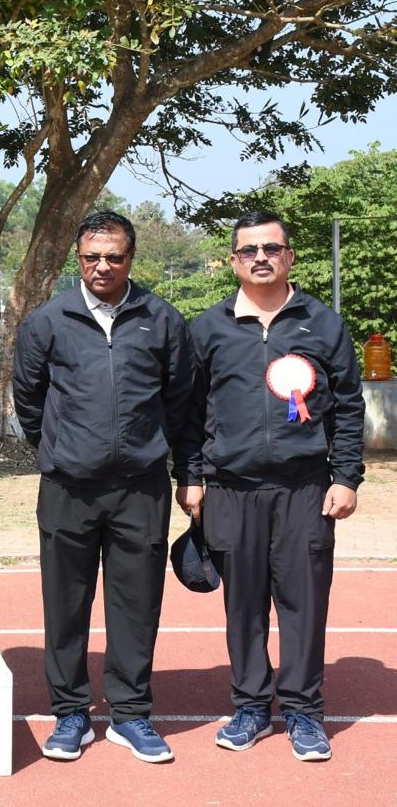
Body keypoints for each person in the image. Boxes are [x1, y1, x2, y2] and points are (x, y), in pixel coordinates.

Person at [180, 210, 364, 761]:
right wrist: (190, 476)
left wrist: (346, 477)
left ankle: (304, 712)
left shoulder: (324, 324)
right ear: (234, 260)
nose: (260, 257)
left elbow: (348, 407)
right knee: (243, 606)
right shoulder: (207, 328)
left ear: (289, 256)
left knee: (303, 603)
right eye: (249, 250)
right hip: (230, 489)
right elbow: (188, 412)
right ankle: (251, 707)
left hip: (305, 489)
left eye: (271, 248)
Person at [13, 210, 194, 764]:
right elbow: (28, 398)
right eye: (92, 256)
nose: (102, 266)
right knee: (65, 604)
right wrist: (60, 449)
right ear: (78, 257)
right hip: (68, 487)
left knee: (136, 604)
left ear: (131, 258)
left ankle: (131, 714)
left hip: (141, 487)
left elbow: (181, 404)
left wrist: (185, 471)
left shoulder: (162, 320)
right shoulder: (47, 321)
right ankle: (70, 712)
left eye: (114, 257)